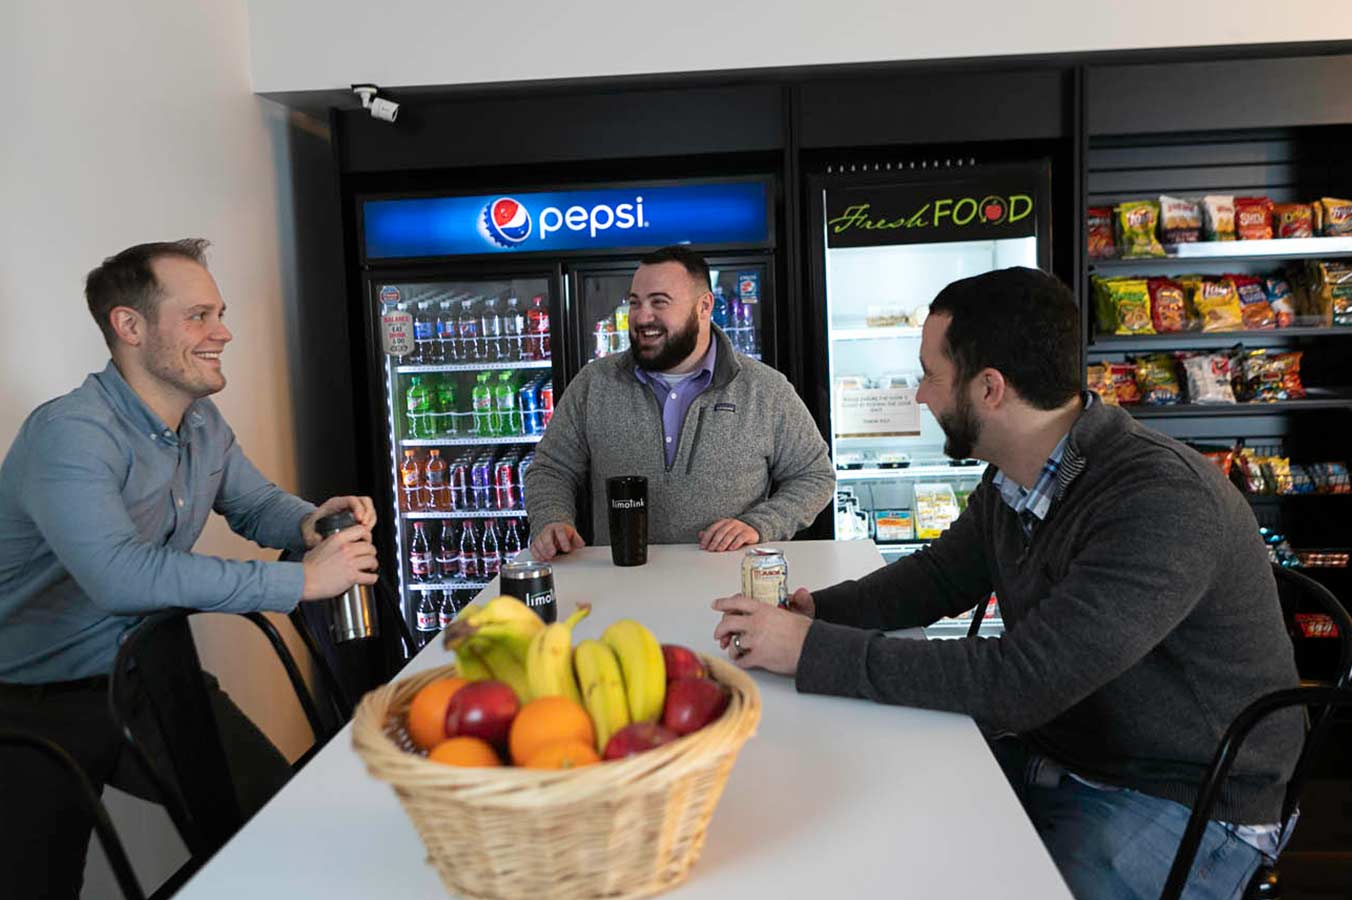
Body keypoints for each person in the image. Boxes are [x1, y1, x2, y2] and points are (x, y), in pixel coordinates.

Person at [710, 267, 1303, 900]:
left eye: (931, 376)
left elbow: (1023, 680)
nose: (920, 396)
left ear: (989, 389)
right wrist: (814, 611)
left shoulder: (1159, 502)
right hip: (1069, 753)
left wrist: (810, 649)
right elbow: (938, 578)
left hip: (1186, 798)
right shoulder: (1017, 474)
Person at [0, 239, 379, 900]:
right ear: (130, 327)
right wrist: (300, 581)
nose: (224, 332)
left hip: (141, 672)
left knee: (279, 826)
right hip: (18, 706)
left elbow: (256, 505)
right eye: (200, 316)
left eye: (221, 313)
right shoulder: (71, 433)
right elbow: (120, 577)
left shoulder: (200, 422)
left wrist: (309, 520)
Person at [525, 245, 834, 561]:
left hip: (732, 589)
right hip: (623, 587)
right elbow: (551, 469)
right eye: (634, 303)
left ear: (704, 306)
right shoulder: (594, 383)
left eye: (659, 302)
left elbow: (814, 476)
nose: (642, 317)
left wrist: (759, 524)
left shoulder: (765, 389)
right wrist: (552, 519)